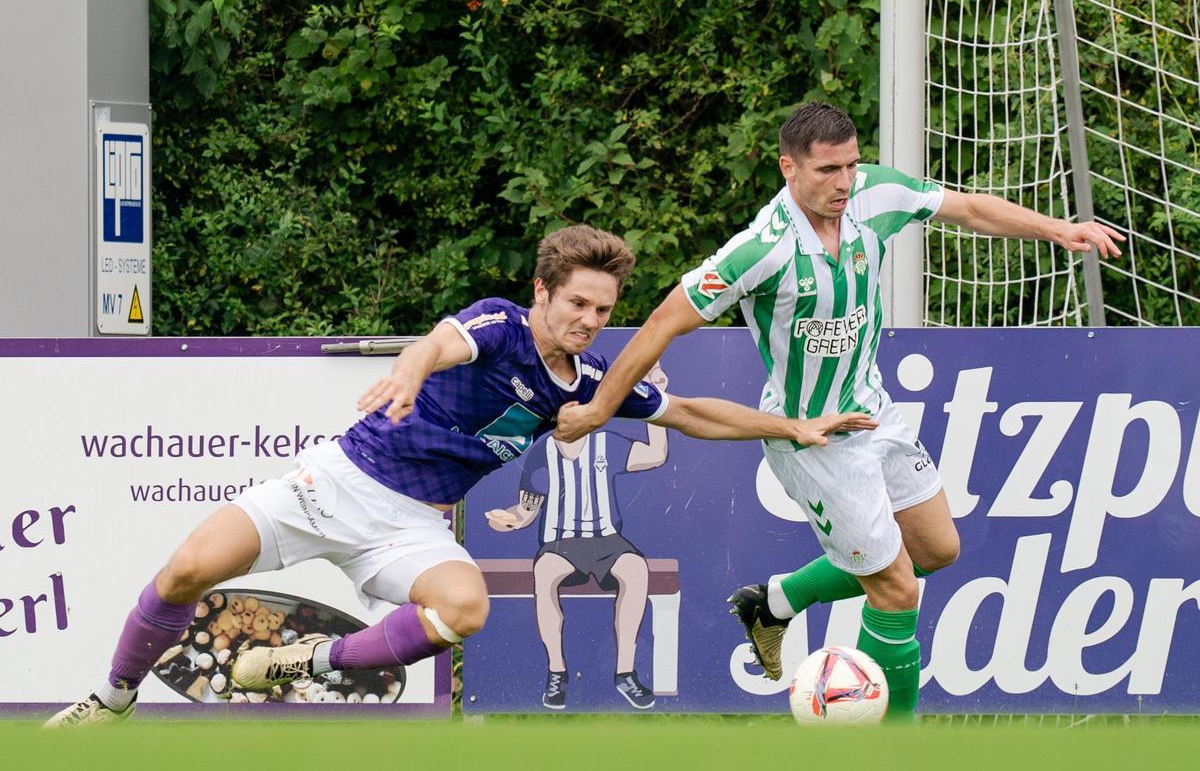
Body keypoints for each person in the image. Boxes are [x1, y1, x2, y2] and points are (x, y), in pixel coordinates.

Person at [46, 224, 874, 727]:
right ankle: (113, 699)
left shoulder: (590, 384)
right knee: (188, 568)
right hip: (333, 482)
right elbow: (440, 344)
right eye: (577, 304)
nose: (590, 322)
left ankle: (307, 662)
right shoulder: (500, 324)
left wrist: (794, 425)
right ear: (543, 291)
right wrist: (410, 370)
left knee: (464, 608)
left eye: (602, 309)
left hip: (410, 525)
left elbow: (691, 411)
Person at [554, 102, 1125, 720]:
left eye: (851, 165)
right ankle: (891, 745)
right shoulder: (760, 251)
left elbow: (968, 208)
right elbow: (664, 322)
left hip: (873, 411)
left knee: (936, 551)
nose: (845, 182)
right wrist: (597, 410)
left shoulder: (874, 194)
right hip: (815, 441)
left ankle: (774, 602)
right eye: (828, 170)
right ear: (788, 168)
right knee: (897, 589)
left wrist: (1057, 229)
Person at [486, 363, 672, 711]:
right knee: (545, 572)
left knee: (635, 570)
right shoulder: (540, 453)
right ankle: (557, 671)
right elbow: (526, 511)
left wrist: (657, 396)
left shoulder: (607, 444)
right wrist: (506, 520)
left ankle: (625, 673)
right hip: (561, 543)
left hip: (606, 539)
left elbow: (656, 454)